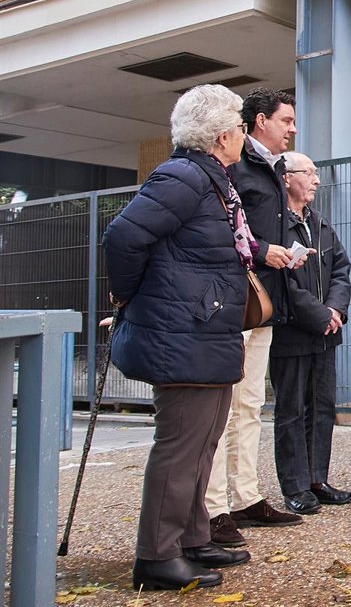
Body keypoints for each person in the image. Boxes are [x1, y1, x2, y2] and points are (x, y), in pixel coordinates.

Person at [104, 84, 252, 590]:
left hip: (204, 330)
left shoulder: (209, 179)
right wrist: (128, 295)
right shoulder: (184, 176)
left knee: (203, 441)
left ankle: (191, 538)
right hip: (184, 331)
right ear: (222, 135)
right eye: (240, 125)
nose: (244, 133)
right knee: (181, 446)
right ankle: (157, 555)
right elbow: (123, 235)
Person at [209, 88, 307, 547]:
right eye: (286, 120)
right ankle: (213, 508)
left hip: (264, 304)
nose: (293, 128)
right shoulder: (231, 164)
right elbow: (221, 228)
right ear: (260, 120)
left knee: (250, 406)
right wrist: (265, 250)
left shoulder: (273, 167)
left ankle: (246, 496)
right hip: (233, 304)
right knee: (221, 409)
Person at [269, 152, 351, 515]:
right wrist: (319, 314)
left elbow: (341, 269)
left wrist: (334, 310)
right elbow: (280, 282)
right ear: (287, 178)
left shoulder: (320, 223)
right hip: (291, 332)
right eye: (309, 172)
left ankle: (318, 478)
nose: (317, 180)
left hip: (325, 333)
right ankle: (295, 485)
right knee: (290, 410)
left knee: (322, 407)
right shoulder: (275, 225)